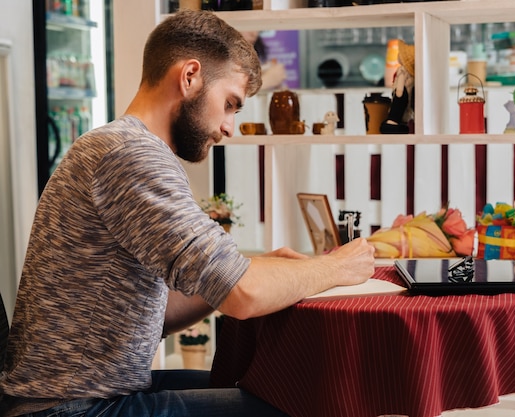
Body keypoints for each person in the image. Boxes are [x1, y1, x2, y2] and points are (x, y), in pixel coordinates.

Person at [0, 10, 375, 417]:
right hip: (71, 408)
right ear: (190, 76)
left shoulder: (117, 145)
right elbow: (244, 295)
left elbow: (160, 310)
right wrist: (336, 267)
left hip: (86, 393)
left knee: (271, 385)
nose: (230, 126)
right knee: (303, 403)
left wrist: (253, 268)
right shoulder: (132, 154)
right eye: (230, 104)